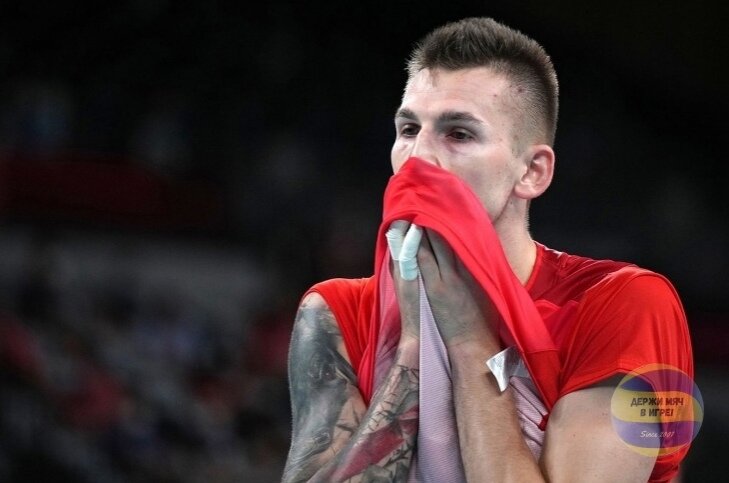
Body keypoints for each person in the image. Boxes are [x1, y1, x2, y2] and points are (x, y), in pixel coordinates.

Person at [283, 17, 694, 482]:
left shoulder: (624, 305)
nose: (419, 157)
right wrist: (413, 344)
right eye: (409, 129)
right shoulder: (337, 311)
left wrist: (468, 340)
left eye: (459, 134)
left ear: (532, 172)